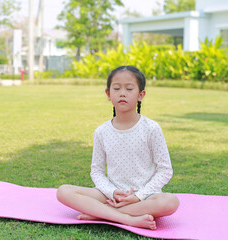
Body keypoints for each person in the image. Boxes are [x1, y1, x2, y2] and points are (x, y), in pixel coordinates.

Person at [57, 66, 179, 230]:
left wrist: (138, 196)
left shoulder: (151, 128)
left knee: (170, 202)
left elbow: (165, 170)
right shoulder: (101, 131)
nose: (122, 93)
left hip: (145, 195)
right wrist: (112, 192)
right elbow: (97, 171)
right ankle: (126, 218)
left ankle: (100, 214)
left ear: (140, 95)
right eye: (116, 88)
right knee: (63, 191)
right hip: (110, 194)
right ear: (108, 94)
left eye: (129, 88)